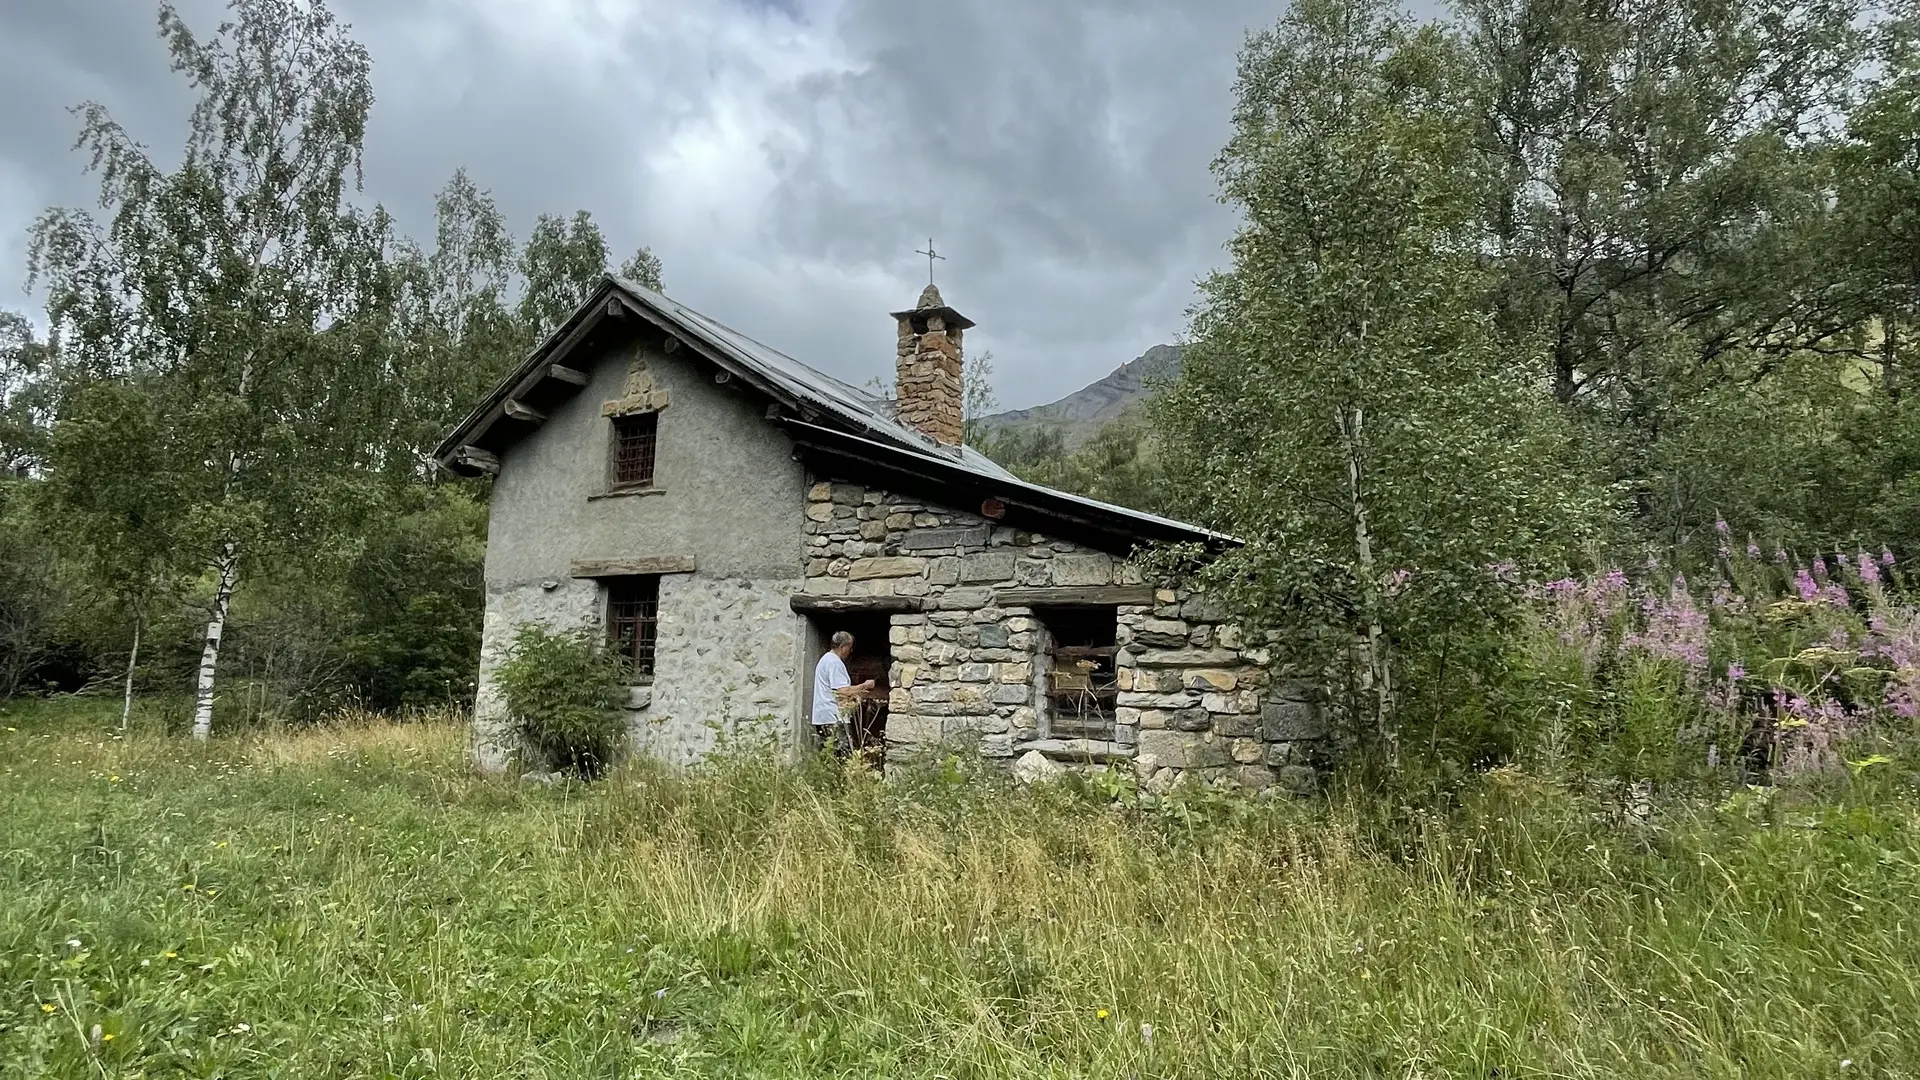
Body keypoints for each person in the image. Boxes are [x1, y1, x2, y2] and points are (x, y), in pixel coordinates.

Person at [811, 630, 874, 755]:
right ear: (842, 646)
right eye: (849, 647)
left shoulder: (825, 659)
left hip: (823, 716)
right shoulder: (835, 663)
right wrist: (864, 686)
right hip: (833, 717)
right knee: (844, 755)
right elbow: (842, 691)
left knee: (829, 756)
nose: (850, 651)